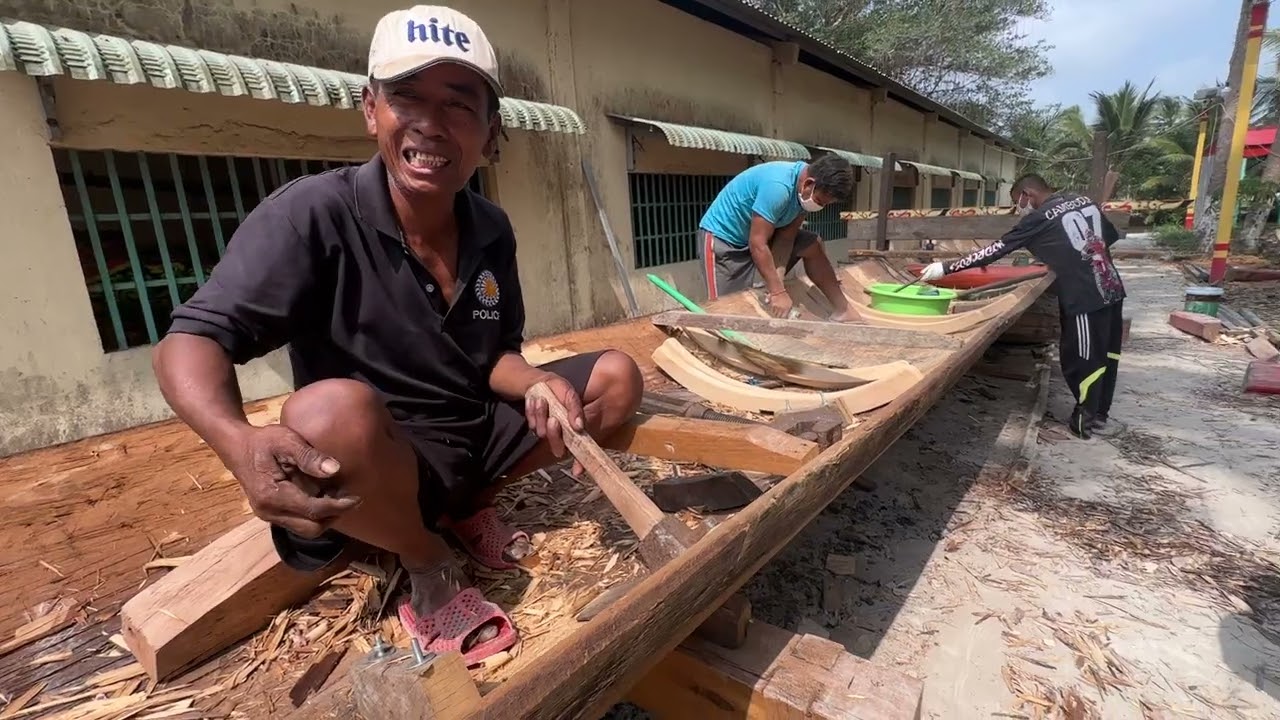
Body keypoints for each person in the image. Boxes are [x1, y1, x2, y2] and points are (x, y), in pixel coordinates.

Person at [150, 5, 643, 666]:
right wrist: (235, 440)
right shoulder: (311, 215)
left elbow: (493, 353)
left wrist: (535, 380)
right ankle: (425, 556)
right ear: (370, 110)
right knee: (325, 414)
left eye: (459, 105)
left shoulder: (490, 227)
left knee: (616, 378)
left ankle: (469, 508)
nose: (431, 124)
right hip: (381, 461)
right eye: (407, 98)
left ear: (490, 132)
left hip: (472, 433)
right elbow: (192, 339)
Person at [920, 173, 1125, 439]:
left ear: (1028, 194)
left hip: (1084, 296)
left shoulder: (1038, 218)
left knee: (1082, 357)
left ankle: (1083, 421)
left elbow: (994, 250)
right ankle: (1099, 414)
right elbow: (1107, 236)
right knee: (1107, 353)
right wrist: (1061, 255)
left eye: (1019, 201)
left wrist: (946, 268)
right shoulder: (1082, 200)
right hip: (1111, 287)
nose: (1020, 208)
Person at [696, 155, 858, 320]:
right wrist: (778, 292)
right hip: (725, 240)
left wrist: (776, 284)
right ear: (809, 183)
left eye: (824, 204)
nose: (820, 206)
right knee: (726, 311)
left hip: (759, 237)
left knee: (811, 244)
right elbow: (757, 243)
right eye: (819, 201)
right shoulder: (777, 187)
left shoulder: (804, 192)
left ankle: (844, 309)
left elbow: (786, 238)